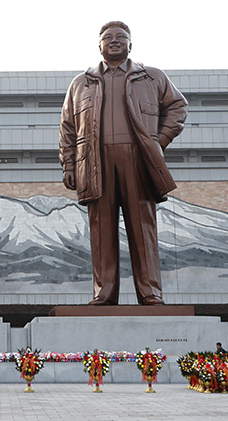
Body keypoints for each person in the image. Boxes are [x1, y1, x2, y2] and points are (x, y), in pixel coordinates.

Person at [59, 21, 187, 306]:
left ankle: (150, 292)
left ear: (131, 44)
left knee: (142, 227)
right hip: (95, 162)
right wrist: (69, 165)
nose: (114, 41)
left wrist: (158, 141)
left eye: (121, 37)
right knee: (101, 229)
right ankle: (103, 293)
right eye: (108, 38)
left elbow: (178, 106)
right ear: (99, 46)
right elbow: (68, 127)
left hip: (137, 159)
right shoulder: (81, 83)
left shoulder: (151, 77)